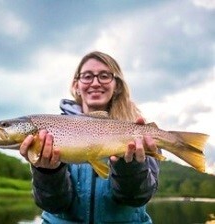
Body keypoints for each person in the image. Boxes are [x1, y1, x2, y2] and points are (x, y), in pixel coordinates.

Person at [20, 51, 160, 223]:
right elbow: (54, 205)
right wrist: (47, 171)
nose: (95, 82)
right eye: (87, 76)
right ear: (76, 85)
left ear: (116, 85)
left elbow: (136, 198)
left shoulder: (139, 132)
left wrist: (129, 167)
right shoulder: (51, 130)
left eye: (104, 76)